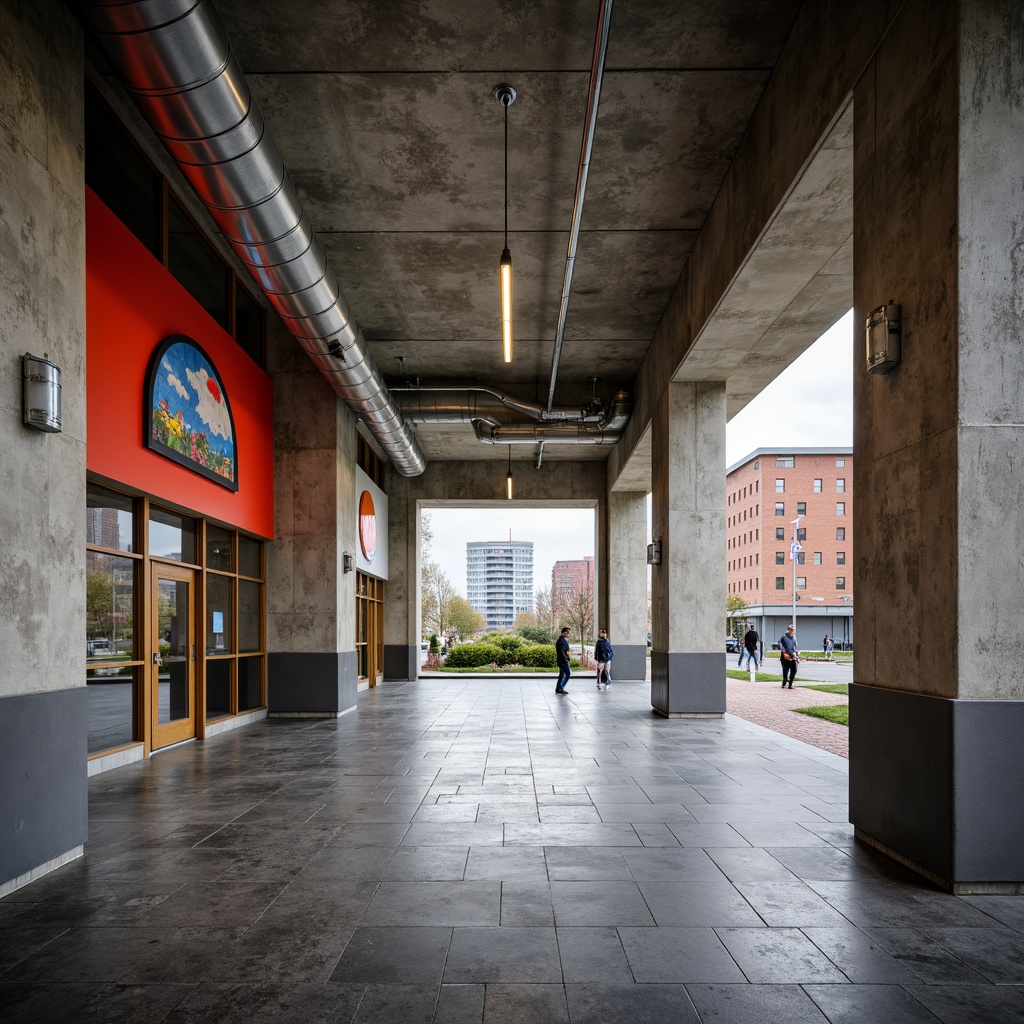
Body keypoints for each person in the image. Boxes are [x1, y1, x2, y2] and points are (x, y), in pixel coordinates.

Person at [555, 627, 572, 694]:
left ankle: (558, 688)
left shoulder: (563, 639)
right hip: (563, 661)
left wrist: (569, 657)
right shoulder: (561, 641)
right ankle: (561, 688)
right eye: (567, 632)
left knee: (562, 675)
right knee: (568, 674)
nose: (568, 633)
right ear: (564, 632)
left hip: (563, 660)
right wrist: (566, 659)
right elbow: (561, 652)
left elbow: (566, 650)